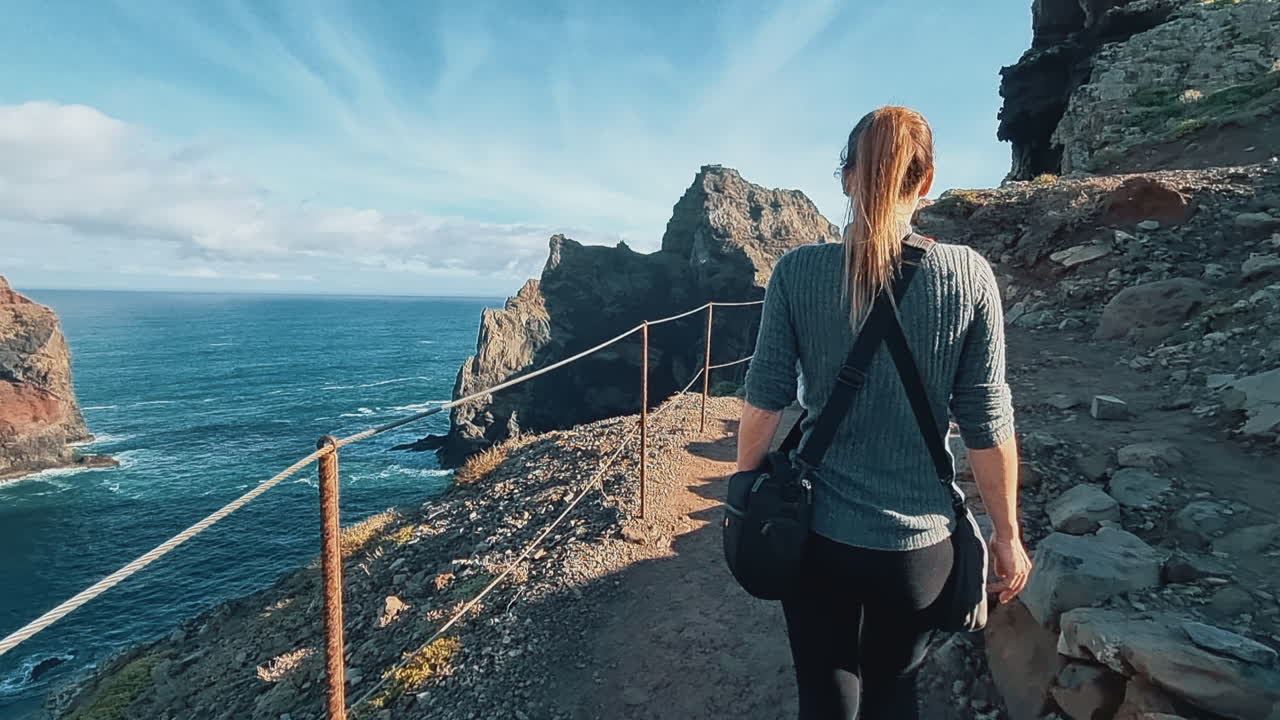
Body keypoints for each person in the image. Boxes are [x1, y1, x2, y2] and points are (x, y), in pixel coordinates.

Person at [735, 106, 1032, 719]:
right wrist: (1008, 537)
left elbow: (765, 397)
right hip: (920, 548)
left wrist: (745, 490)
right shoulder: (969, 276)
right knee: (895, 692)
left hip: (816, 533)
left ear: (846, 177)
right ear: (925, 183)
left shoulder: (799, 272)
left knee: (824, 690)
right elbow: (987, 421)